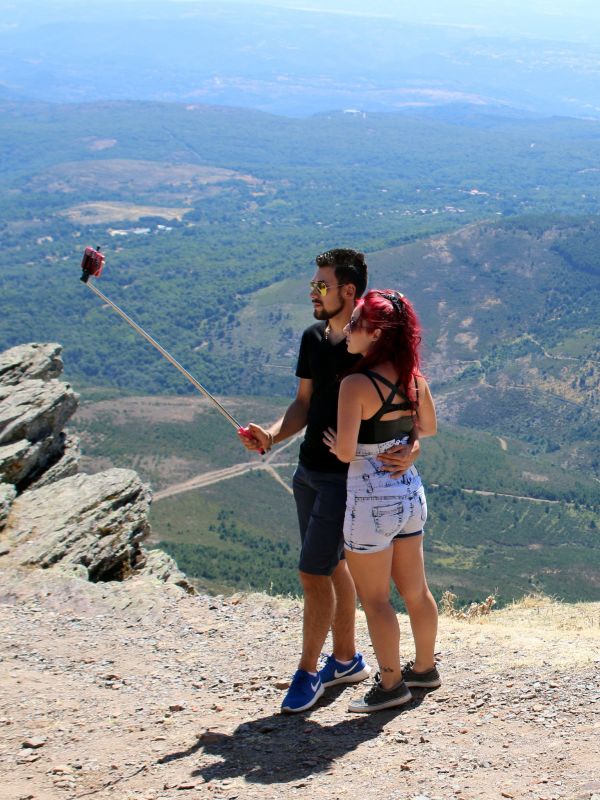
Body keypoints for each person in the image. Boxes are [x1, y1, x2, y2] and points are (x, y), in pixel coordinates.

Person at [240, 249, 418, 714]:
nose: (313, 291)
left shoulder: (366, 344)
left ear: (348, 291)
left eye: (321, 285)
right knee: (331, 566)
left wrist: (412, 444)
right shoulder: (313, 338)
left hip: (348, 480)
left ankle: (306, 673)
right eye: (313, 284)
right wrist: (272, 435)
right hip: (309, 471)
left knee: (312, 571)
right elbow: (303, 403)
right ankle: (344, 660)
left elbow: (401, 397)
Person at [322, 289, 440, 712]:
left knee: (374, 599)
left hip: (371, 502)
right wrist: (409, 447)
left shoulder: (355, 384)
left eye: (355, 323)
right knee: (416, 591)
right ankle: (424, 669)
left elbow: (349, 451)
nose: (348, 330)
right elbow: (427, 428)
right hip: (409, 490)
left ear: (374, 333)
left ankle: (390, 686)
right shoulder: (413, 377)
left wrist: (338, 445)